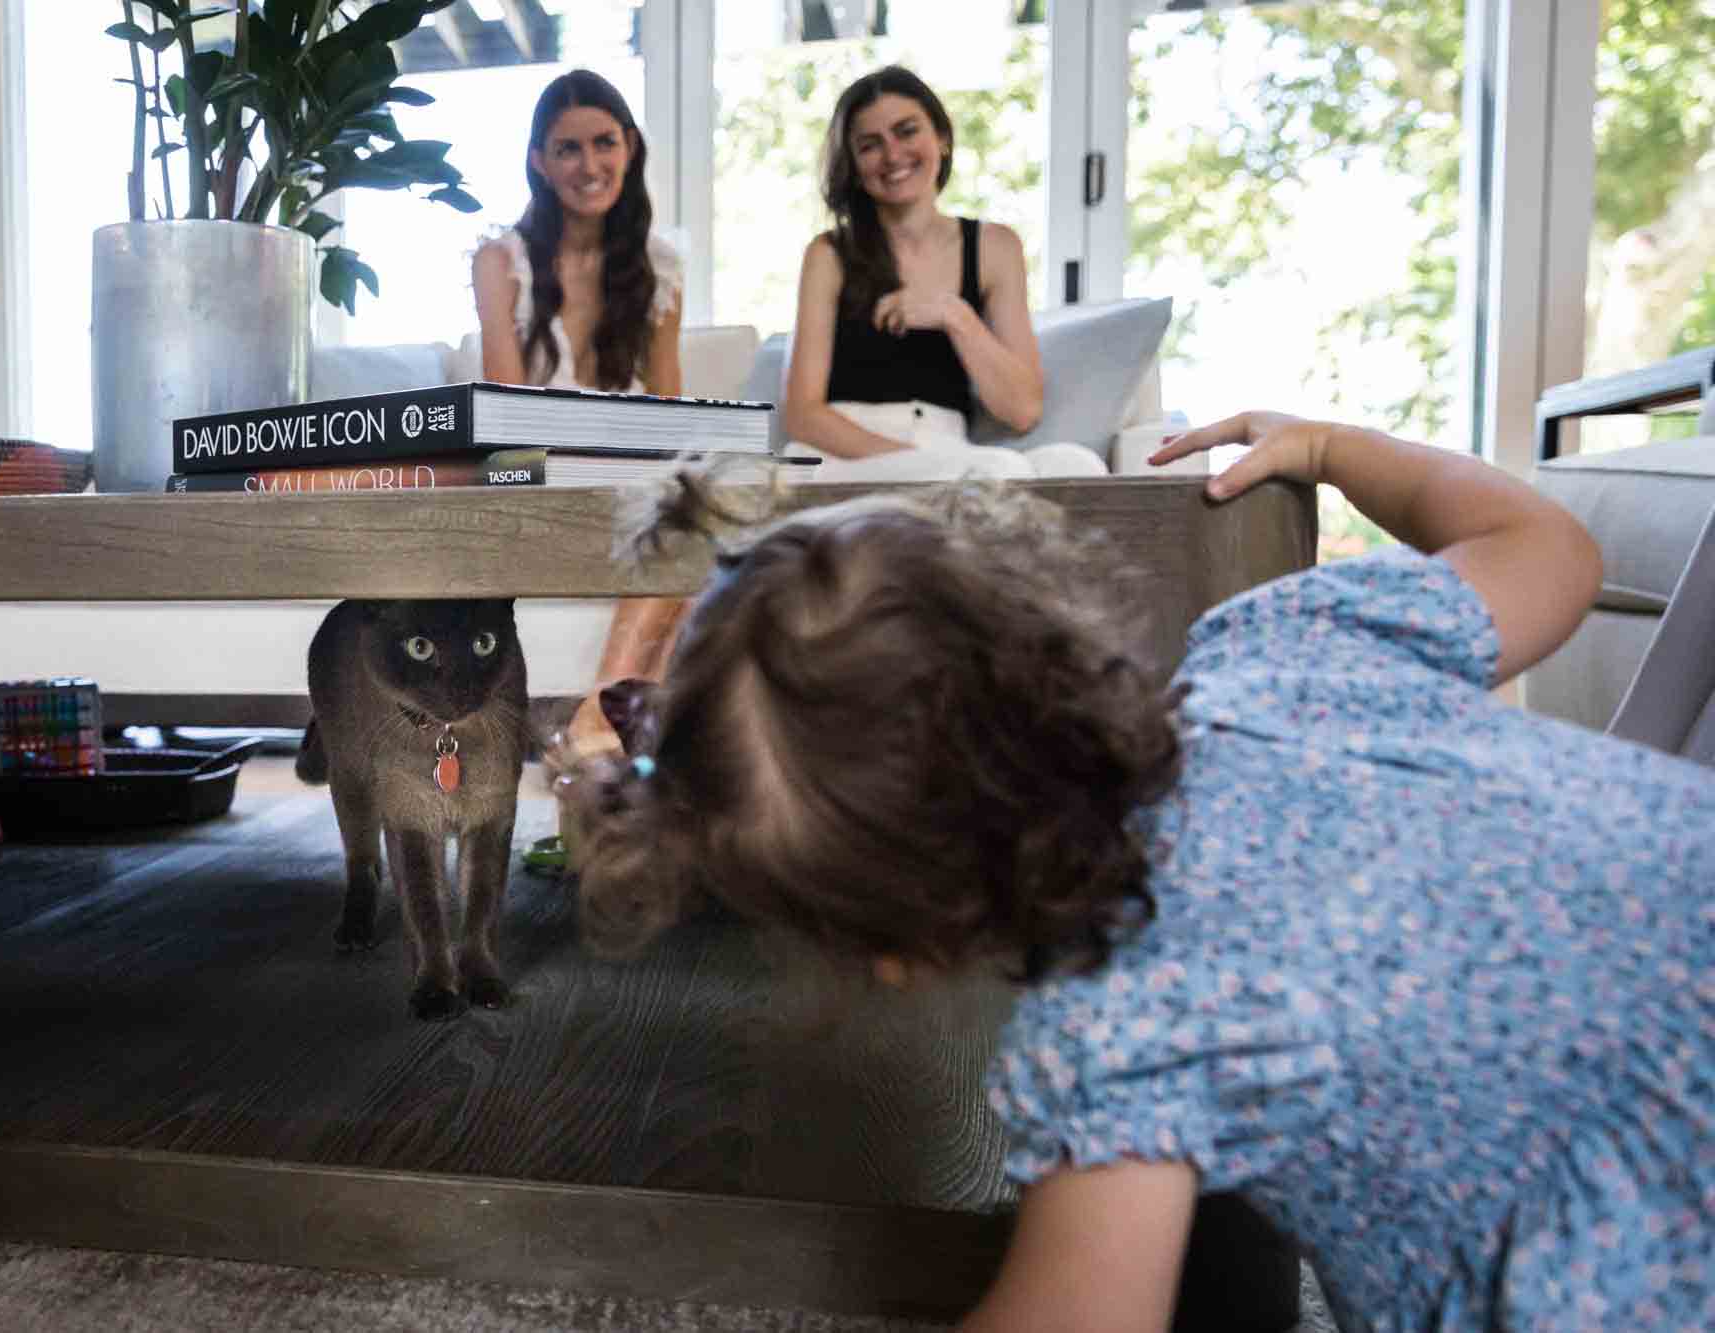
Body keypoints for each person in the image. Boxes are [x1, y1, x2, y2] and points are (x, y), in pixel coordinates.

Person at [552, 410, 1715, 1332]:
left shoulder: (1121, 1026)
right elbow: (1549, 551)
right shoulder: (1280, 649)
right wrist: (1330, 448)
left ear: (891, 952)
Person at [471, 68, 687, 753]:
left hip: (629, 479)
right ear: (539, 161)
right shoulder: (500, 261)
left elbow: (670, 414)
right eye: (568, 148)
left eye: (604, 143)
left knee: (697, 507)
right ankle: (607, 728)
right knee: (679, 519)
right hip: (528, 471)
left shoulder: (661, 269)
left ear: (630, 145)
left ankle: (597, 721)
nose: (589, 165)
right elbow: (505, 419)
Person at [784, 66, 1099, 483]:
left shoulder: (995, 247)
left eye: (907, 131)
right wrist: (914, 461)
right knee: (998, 472)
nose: (893, 155)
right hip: (849, 454)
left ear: (942, 138)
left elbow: (1022, 410)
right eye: (870, 145)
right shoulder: (828, 254)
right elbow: (803, 415)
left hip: (949, 449)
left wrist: (953, 314)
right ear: (855, 166)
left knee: (1077, 465)